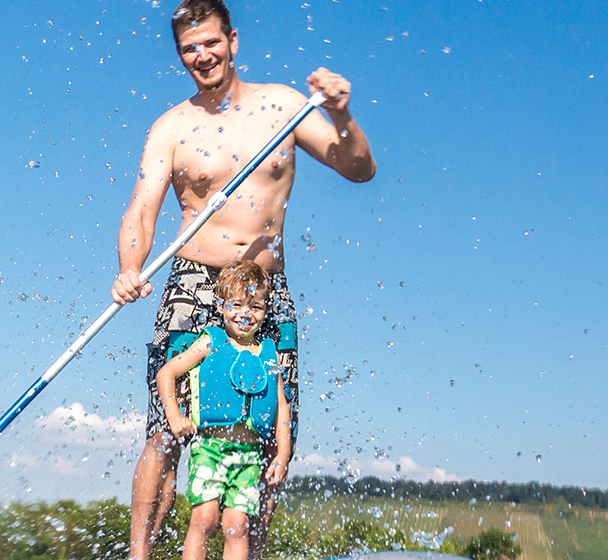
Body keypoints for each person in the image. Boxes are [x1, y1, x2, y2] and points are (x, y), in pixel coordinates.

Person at [115, 0, 375, 558]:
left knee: (265, 433)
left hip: (263, 290)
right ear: (180, 54)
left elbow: (358, 170)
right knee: (168, 428)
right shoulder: (172, 127)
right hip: (193, 281)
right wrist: (130, 268)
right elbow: (141, 210)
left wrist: (344, 116)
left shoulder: (284, 105)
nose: (201, 55)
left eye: (210, 43)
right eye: (189, 48)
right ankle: (139, 555)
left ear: (233, 40)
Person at [155, 261, 292, 560]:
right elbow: (166, 374)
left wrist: (282, 455)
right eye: (237, 304)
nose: (245, 313)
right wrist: (175, 417)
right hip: (210, 448)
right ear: (220, 305)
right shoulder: (211, 341)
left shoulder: (268, 352)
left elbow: (282, 409)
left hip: (250, 456)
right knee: (204, 521)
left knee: (237, 527)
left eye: (255, 306)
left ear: (266, 310)